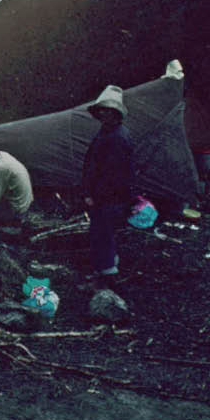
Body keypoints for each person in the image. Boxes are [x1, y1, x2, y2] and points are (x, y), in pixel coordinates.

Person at [81, 84, 136, 287]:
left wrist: (93, 195)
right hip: (106, 195)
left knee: (102, 232)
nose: (103, 114)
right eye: (101, 111)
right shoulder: (107, 132)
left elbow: (113, 175)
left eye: (107, 111)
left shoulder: (117, 138)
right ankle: (106, 266)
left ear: (115, 114)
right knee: (102, 232)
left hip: (108, 196)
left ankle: (106, 277)